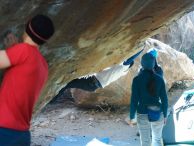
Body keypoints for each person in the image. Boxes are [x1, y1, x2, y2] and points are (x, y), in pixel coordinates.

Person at [0, 14, 54, 146]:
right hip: (22, 135)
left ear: (27, 28)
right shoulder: (43, 64)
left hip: (4, 130)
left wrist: (13, 50)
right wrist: (12, 51)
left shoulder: (23, 50)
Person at [52, 48, 144, 101]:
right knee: (69, 81)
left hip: (92, 82)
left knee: (68, 82)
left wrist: (141, 47)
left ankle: (52, 100)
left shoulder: (123, 68)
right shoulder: (121, 71)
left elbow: (130, 59)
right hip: (92, 83)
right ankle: (53, 98)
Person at [129, 52, 168, 146]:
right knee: (157, 140)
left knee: (145, 142)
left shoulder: (136, 80)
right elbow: (164, 99)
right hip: (158, 112)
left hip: (142, 113)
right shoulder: (160, 79)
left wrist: (131, 117)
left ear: (142, 64)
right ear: (154, 64)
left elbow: (134, 100)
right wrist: (165, 115)